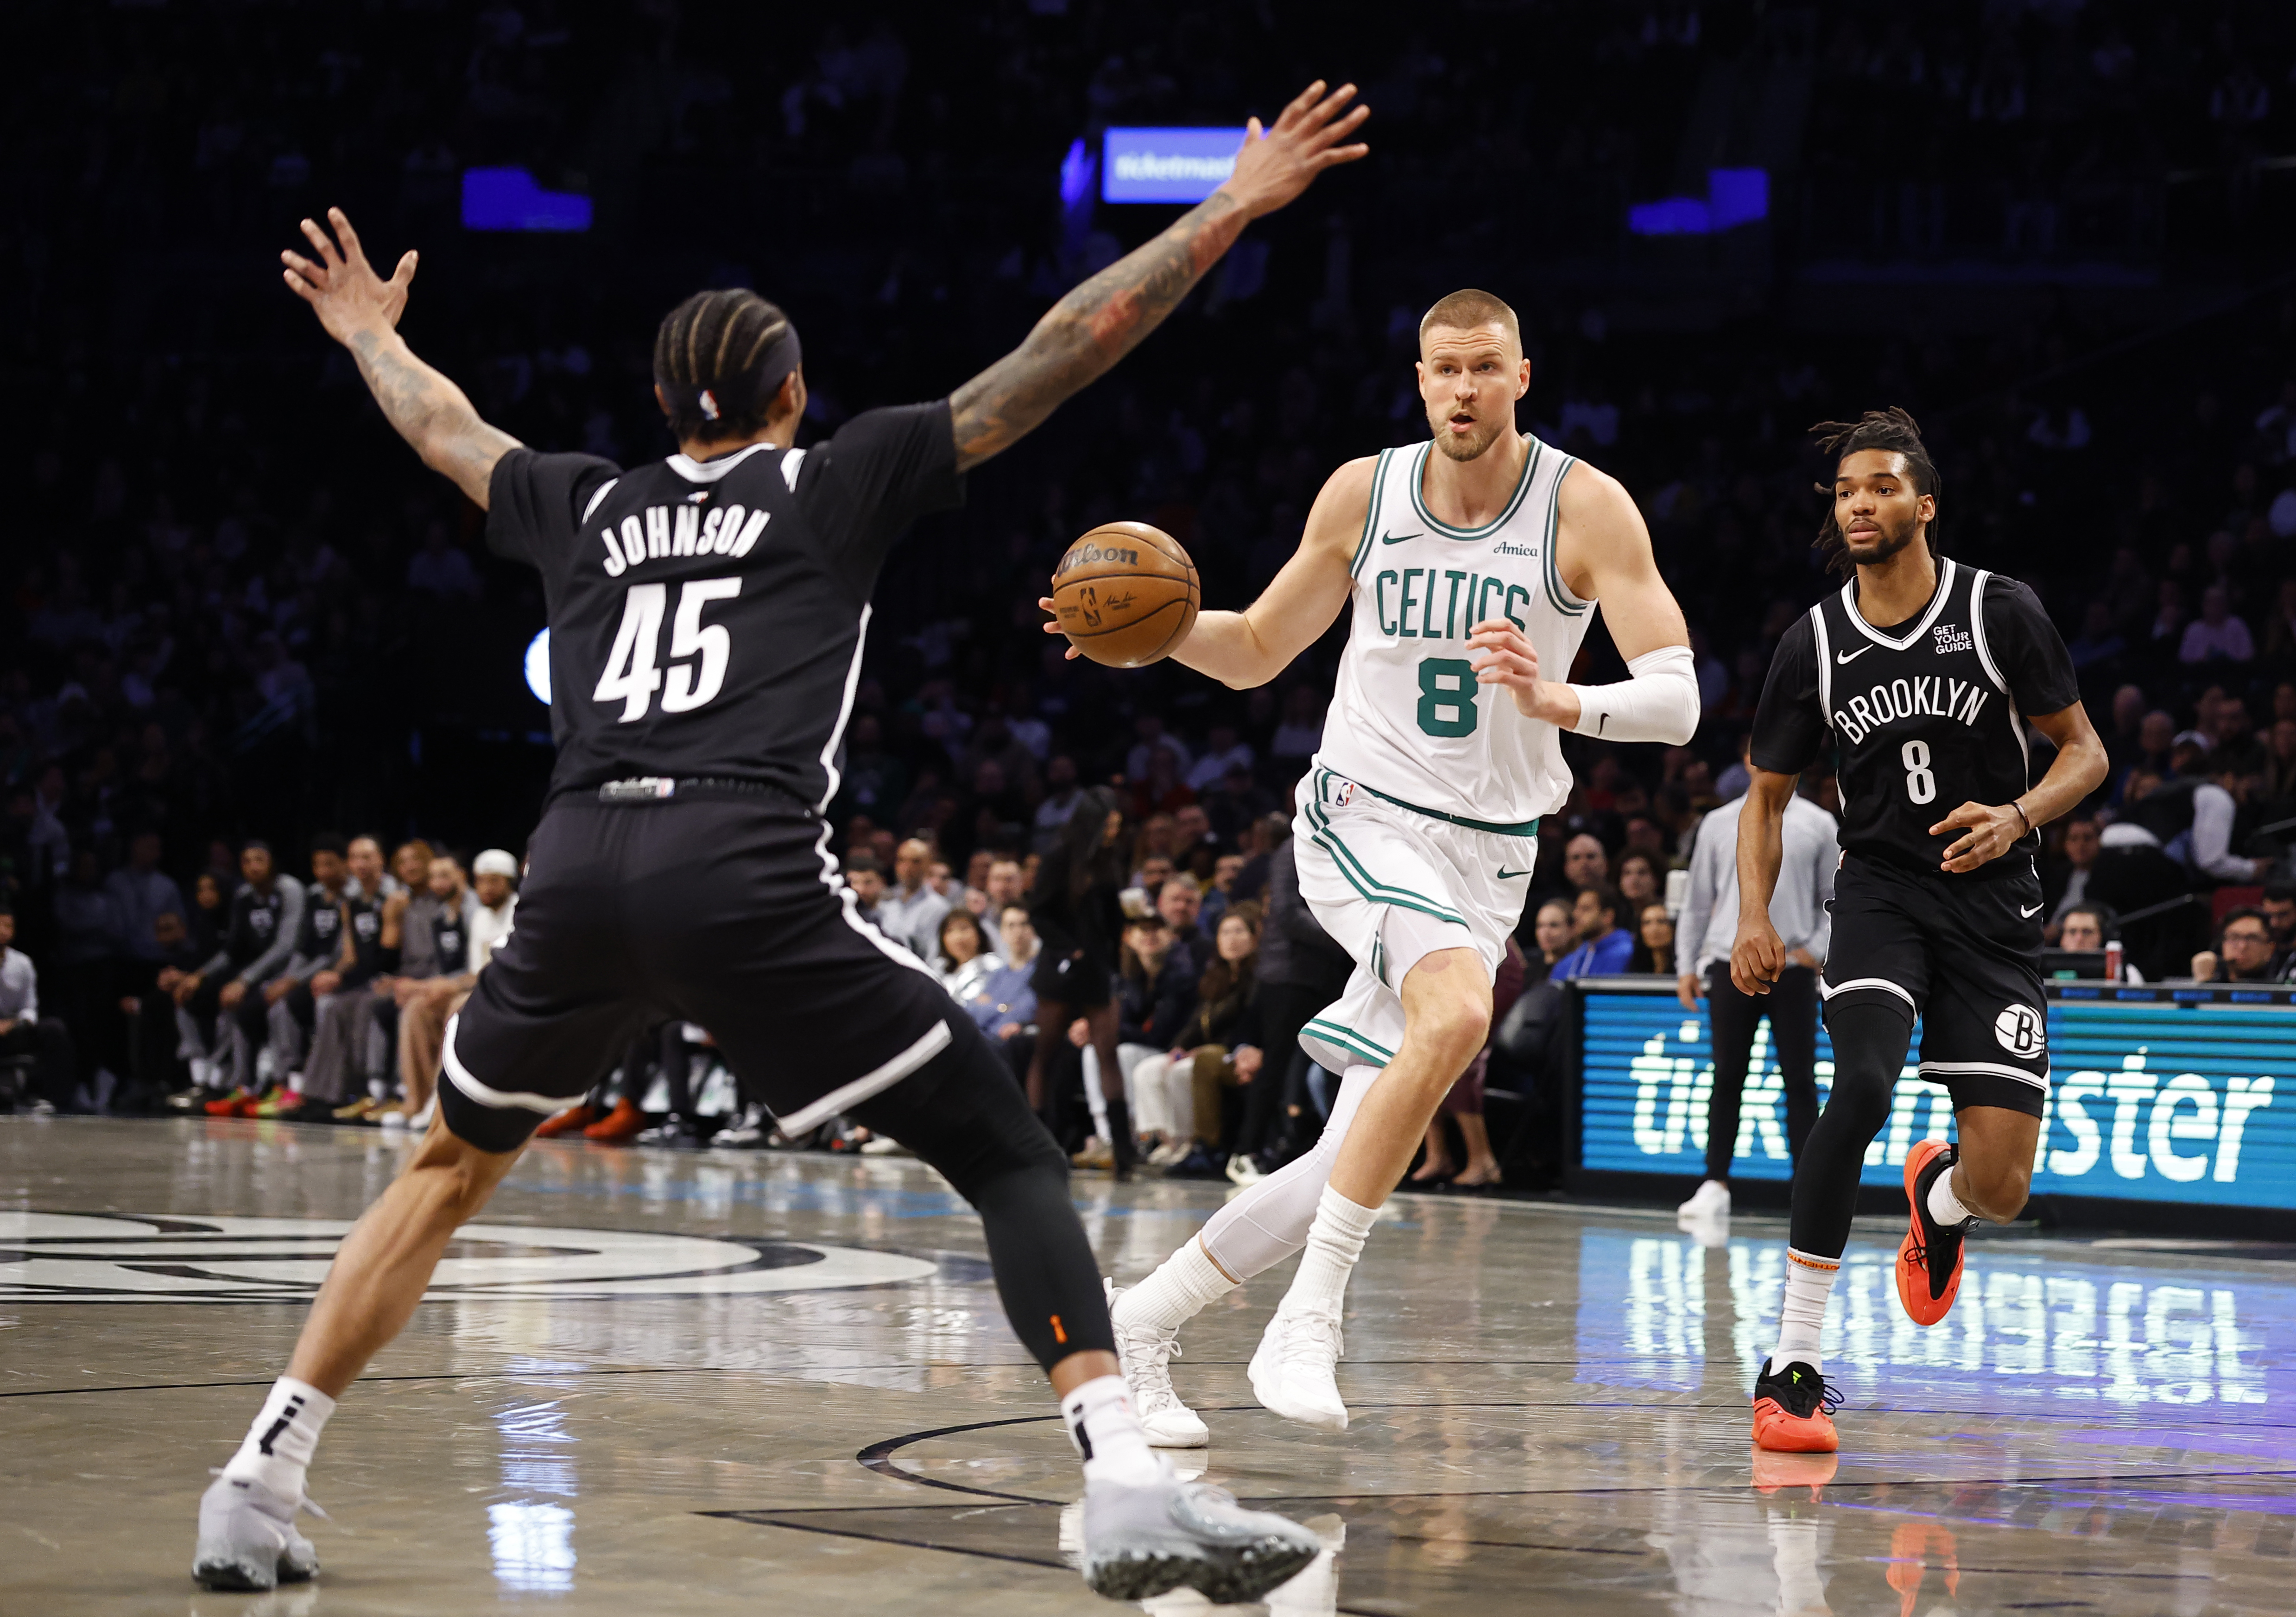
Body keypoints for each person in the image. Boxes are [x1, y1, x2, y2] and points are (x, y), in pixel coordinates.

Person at [200, 82, 1368, 1599]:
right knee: (1004, 1150)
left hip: (573, 871)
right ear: (792, 395)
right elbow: (1056, 356)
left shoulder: (583, 504)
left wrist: (366, 330)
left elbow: (442, 426)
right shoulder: (833, 482)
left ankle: (256, 1481)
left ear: (661, 405)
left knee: (442, 1166)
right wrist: (1229, 205)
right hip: (736, 870)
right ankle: (1124, 1481)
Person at [1068, 285, 1697, 1444]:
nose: (1462, 388)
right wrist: (1153, 630)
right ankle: (1308, 1318)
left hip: (1489, 854)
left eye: (1483, 367)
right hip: (1362, 811)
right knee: (1456, 1012)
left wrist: (1559, 697)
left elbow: (1676, 698)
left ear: (1519, 377)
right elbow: (1256, 648)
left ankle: (1140, 1320)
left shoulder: (1583, 506)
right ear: (1418, 379)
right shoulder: (1364, 493)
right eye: (1442, 368)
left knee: (1340, 1159)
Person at [1732, 408, 2106, 1454]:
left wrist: (2019, 814)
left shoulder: (1997, 610)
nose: (1859, 503)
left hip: (1991, 909)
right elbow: (1765, 796)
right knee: (1859, 1085)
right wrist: (1753, 915)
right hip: (1881, 894)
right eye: (1846, 490)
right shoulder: (1812, 641)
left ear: (1924, 505)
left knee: (2003, 1188)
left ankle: (1938, 1198)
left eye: (1882, 487)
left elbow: (2083, 752)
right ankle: (1791, 1366)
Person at [1673, 776, 1836, 1227]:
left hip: (1792, 965)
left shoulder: (1819, 823)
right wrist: (1686, 965)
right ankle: (1714, 1182)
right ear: (1748, 760)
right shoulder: (1718, 822)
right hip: (1729, 961)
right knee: (1727, 1074)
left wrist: (1814, 951)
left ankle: (1808, 1188)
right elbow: (1697, 900)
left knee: (1799, 1079)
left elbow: (1834, 898)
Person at [1027, 788, 1136, 1172]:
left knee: (1107, 1052)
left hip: (1097, 969)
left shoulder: (1109, 859)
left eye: (1116, 826)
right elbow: (1038, 912)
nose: (1113, 832)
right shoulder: (1059, 857)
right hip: (1062, 967)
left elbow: (1111, 919)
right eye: (1109, 825)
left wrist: (1117, 957)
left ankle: (1123, 1150)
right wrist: (1068, 949)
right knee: (1046, 1052)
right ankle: (1037, 1143)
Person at [0, 907, 78, 1113]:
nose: (3, 931)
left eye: (8, 926)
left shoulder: (22, 963)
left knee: (54, 1029)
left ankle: (52, 1097)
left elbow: (29, 1008)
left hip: (13, 1030)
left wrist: (14, 1024)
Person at [1551, 883, 1634, 979]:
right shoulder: (1570, 961)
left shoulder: (1627, 953)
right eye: (1577, 908)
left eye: (1585, 909)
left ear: (1607, 916)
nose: (1576, 914)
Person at [2190, 907, 2278, 983]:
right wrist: (2204, 983)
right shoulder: (2212, 979)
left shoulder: (2280, 990)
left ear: (2270, 949)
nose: (2242, 946)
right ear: (2223, 944)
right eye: (2234, 938)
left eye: (2253, 939)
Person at [934, 907, 997, 1003]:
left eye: (964, 929)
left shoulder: (993, 966)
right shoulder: (939, 971)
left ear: (979, 934)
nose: (958, 937)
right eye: (950, 931)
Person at [1627, 902, 1676, 975]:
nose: (1654, 929)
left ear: (1674, 928)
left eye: (1662, 922)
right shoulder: (1630, 966)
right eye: (1647, 923)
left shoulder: (1687, 967)